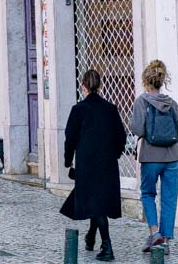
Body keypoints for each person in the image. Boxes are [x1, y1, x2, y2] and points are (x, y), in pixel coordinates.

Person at [60, 69, 126, 260]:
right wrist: (114, 154)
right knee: (97, 201)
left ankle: (107, 247)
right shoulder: (110, 109)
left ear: (83, 86)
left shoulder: (78, 110)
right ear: (100, 86)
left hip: (87, 164)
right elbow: (121, 137)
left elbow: (70, 138)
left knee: (96, 204)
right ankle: (90, 237)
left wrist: (67, 160)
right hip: (107, 163)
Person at [128, 59, 178, 253]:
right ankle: (165, 241)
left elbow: (137, 128)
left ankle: (154, 233)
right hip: (173, 156)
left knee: (148, 194)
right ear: (161, 82)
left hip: (150, 156)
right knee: (169, 199)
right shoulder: (172, 104)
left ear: (146, 81)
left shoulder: (141, 101)